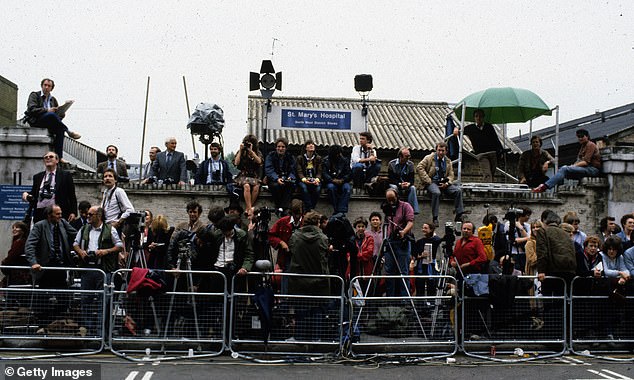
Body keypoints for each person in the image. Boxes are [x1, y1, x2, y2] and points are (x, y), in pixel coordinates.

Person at [72, 206, 123, 334]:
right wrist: (81, 252)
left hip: (104, 269)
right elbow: (75, 243)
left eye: (90, 214)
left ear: (99, 216)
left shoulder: (110, 229)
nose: (87, 216)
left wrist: (105, 251)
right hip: (87, 268)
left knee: (103, 301)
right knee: (86, 299)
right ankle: (88, 329)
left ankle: (101, 332)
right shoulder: (84, 229)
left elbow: (119, 246)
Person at [24, 205, 77, 315]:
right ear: (49, 215)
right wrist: (34, 263)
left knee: (63, 295)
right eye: (57, 214)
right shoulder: (40, 226)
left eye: (61, 213)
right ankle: (43, 321)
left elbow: (76, 235)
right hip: (45, 266)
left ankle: (60, 319)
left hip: (60, 265)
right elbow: (30, 245)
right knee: (44, 296)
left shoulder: (62, 223)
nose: (60, 216)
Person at [23, 78, 81, 159]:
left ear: (51, 88)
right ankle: (68, 131)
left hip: (49, 122)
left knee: (60, 130)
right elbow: (32, 109)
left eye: (49, 86)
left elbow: (57, 118)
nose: (46, 87)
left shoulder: (53, 100)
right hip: (36, 121)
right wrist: (47, 110)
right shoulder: (35, 95)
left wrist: (61, 114)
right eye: (45, 85)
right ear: (41, 86)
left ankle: (59, 157)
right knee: (51, 114)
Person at [532, 129, 602, 193]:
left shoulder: (590, 145)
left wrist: (572, 166)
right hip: (585, 169)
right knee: (561, 170)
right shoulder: (583, 146)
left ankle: (544, 187)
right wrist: (572, 166)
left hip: (593, 170)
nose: (580, 138)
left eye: (582, 136)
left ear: (587, 136)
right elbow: (578, 161)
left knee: (564, 169)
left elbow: (585, 162)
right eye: (578, 137)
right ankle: (558, 191)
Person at [417, 141, 464, 226]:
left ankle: (459, 214)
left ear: (446, 151)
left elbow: (451, 175)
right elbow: (419, 167)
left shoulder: (448, 161)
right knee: (436, 193)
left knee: (458, 191)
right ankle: (435, 218)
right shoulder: (429, 158)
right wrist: (428, 180)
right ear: (436, 150)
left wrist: (448, 183)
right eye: (439, 150)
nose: (441, 152)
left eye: (443, 151)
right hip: (432, 182)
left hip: (443, 182)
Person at [22, 151, 77, 224]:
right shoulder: (38, 177)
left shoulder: (65, 175)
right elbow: (34, 193)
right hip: (40, 213)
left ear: (57, 160)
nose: (48, 158)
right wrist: (26, 194)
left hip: (58, 213)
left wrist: (73, 212)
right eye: (46, 157)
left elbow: (71, 195)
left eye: (51, 157)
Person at [535, 210, 577, 295]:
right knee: (563, 301)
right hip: (569, 271)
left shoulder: (543, 231)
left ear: (544, 220)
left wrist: (541, 271)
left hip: (552, 271)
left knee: (549, 301)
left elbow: (542, 252)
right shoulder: (565, 233)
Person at [383, 188, 415, 297]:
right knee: (389, 271)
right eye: (389, 200)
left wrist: (404, 231)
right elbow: (386, 224)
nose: (391, 202)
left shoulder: (406, 206)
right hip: (391, 241)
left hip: (402, 242)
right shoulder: (387, 208)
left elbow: (410, 221)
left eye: (393, 199)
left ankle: (405, 299)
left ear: (397, 196)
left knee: (403, 272)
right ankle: (390, 298)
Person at [269, 199, 304, 293]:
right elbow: (271, 235)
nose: (297, 217)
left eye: (299, 214)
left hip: (302, 257)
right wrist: (281, 242)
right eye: (295, 214)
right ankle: (285, 301)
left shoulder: (306, 222)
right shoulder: (282, 222)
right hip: (287, 256)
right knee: (286, 279)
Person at [463, 109, 504, 182]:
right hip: (481, 154)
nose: (478, 118)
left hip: (492, 153)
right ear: (474, 118)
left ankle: (489, 189)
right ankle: (488, 190)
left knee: (491, 173)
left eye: (480, 116)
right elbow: (459, 130)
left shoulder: (489, 126)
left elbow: (496, 139)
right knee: (487, 173)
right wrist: (456, 129)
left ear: (483, 117)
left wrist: (501, 150)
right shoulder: (470, 128)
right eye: (476, 116)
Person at [233, 134, 263, 218]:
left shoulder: (257, 152)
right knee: (246, 186)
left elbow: (259, 161)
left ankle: (247, 209)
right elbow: (236, 163)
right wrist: (240, 150)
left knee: (256, 187)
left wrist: (252, 152)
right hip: (243, 175)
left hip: (253, 176)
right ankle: (250, 209)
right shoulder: (241, 152)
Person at [265, 137, 297, 213]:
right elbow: (269, 169)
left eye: (283, 147)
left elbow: (293, 170)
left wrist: (290, 177)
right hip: (274, 179)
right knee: (275, 186)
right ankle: (279, 206)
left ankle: (284, 208)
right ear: (276, 148)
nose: (280, 149)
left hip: (286, 179)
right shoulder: (271, 156)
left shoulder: (290, 157)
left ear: (286, 148)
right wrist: (276, 178)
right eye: (279, 147)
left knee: (291, 185)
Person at [411, 221, 442, 296]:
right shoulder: (419, 242)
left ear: (431, 230)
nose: (423, 229)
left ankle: (431, 304)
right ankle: (420, 304)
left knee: (431, 286)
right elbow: (415, 255)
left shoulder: (436, 240)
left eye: (425, 228)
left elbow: (439, 240)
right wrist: (421, 256)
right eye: (423, 228)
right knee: (420, 286)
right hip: (421, 267)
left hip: (431, 267)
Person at [387, 147, 419, 214]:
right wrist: (399, 184)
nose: (408, 158)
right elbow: (391, 179)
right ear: (400, 156)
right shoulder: (391, 164)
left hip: (406, 185)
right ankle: (396, 207)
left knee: (413, 188)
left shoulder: (411, 165)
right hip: (396, 184)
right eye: (406, 156)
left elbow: (412, 179)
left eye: (409, 156)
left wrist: (408, 184)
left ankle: (412, 210)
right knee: (394, 188)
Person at [322, 144, 352, 214]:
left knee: (347, 189)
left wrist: (343, 180)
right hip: (331, 182)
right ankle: (336, 209)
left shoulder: (344, 160)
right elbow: (324, 173)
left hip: (343, 181)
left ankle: (341, 210)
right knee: (331, 188)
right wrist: (332, 180)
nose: (339, 155)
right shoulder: (326, 161)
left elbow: (349, 173)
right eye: (338, 154)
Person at [1, 222, 31, 288]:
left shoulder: (20, 242)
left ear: (23, 230)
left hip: (17, 272)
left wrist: (4, 262)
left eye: (17, 227)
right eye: (13, 228)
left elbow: (12, 256)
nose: (14, 229)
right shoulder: (20, 241)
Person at [503, 207, 532, 273]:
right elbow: (511, 240)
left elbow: (530, 239)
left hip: (524, 253)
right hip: (514, 253)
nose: (528, 217)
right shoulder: (509, 224)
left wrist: (521, 228)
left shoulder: (527, 226)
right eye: (527, 215)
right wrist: (526, 239)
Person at [296, 139, 322, 212]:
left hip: (314, 180)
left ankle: (311, 208)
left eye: (312, 144)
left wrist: (317, 179)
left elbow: (319, 172)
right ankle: (309, 209)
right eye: (309, 144)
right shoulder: (300, 158)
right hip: (303, 180)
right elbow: (299, 171)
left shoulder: (318, 158)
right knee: (304, 188)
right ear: (305, 148)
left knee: (318, 189)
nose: (311, 145)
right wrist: (304, 179)